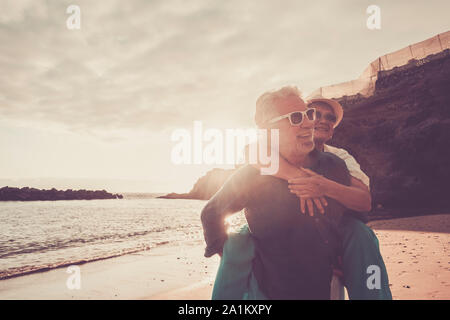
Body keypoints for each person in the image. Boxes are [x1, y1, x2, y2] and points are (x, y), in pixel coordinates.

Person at [206, 89, 392, 300]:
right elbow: (254, 152)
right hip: (276, 231)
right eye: (313, 114)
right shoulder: (265, 155)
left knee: (361, 235)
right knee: (239, 241)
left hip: (328, 232)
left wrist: (323, 187)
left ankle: (374, 294)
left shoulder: (338, 159)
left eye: (327, 117)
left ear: (333, 129)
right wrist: (297, 177)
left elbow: (363, 201)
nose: (316, 121)